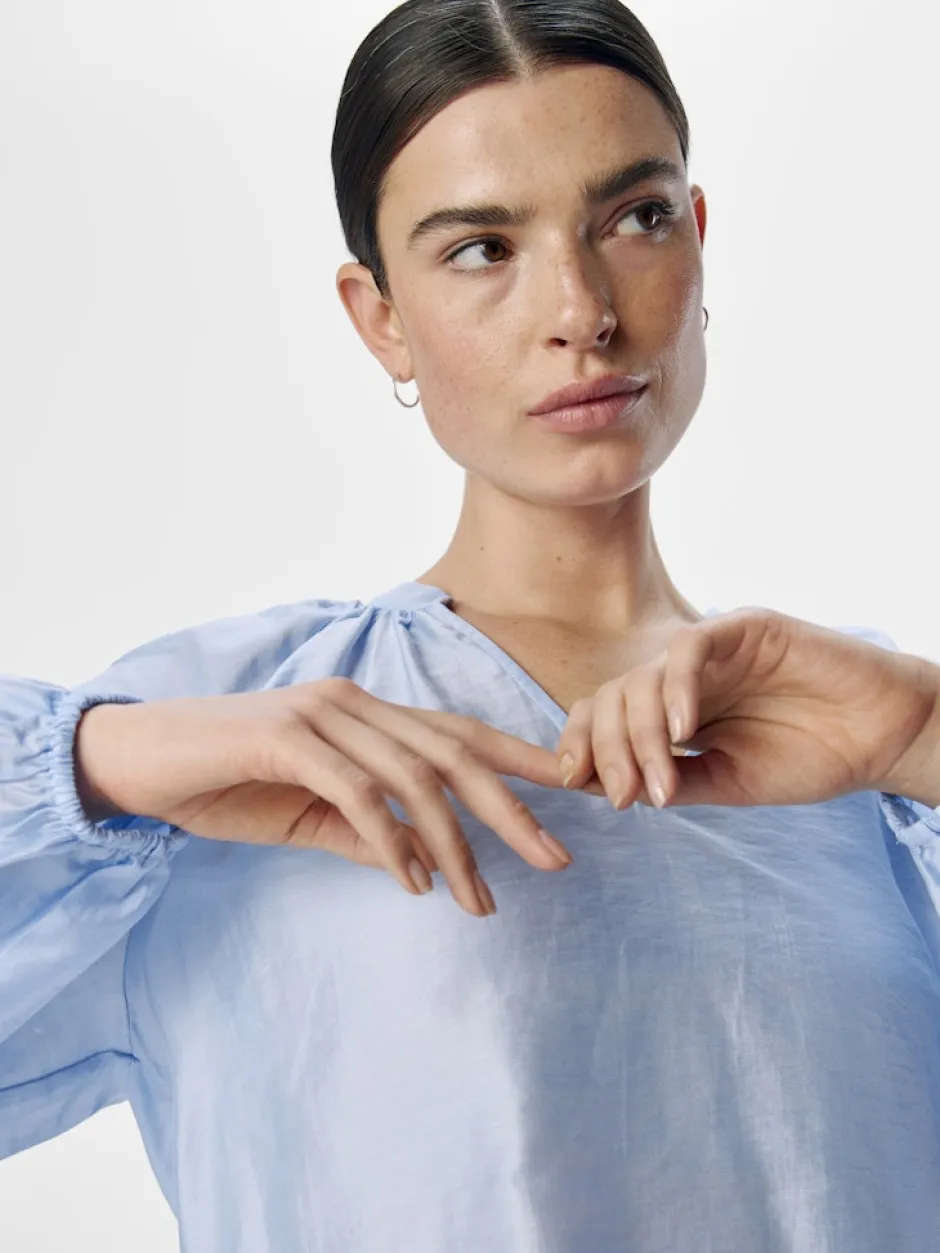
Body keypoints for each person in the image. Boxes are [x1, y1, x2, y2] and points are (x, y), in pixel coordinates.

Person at [2, 1, 940, 1249]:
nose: (581, 310)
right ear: (379, 314)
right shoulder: (236, 736)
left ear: (699, 239)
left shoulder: (867, 758)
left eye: (636, 218)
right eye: (482, 247)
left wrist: (922, 735)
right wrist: (102, 763)